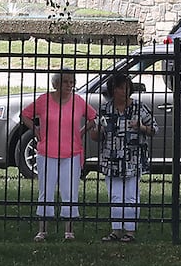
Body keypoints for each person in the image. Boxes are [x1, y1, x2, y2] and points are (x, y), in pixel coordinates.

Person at [19, 67, 97, 242]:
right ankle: (43, 230)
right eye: (66, 82)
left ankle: (69, 230)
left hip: (72, 152)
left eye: (72, 82)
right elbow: (24, 115)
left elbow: (93, 117)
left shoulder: (78, 101)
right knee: (45, 191)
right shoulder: (44, 100)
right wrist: (36, 130)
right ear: (56, 84)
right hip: (47, 152)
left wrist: (81, 132)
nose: (70, 85)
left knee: (70, 191)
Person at [93, 71, 156, 244]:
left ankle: (130, 231)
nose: (124, 91)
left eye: (127, 87)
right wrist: (99, 130)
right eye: (121, 88)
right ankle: (116, 230)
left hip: (133, 160)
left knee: (131, 196)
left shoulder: (139, 107)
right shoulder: (105, 109)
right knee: (115, 196)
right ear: (113, 90)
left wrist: (141, 127)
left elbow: (154, 129)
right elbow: (95, 136)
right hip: (111, 159)